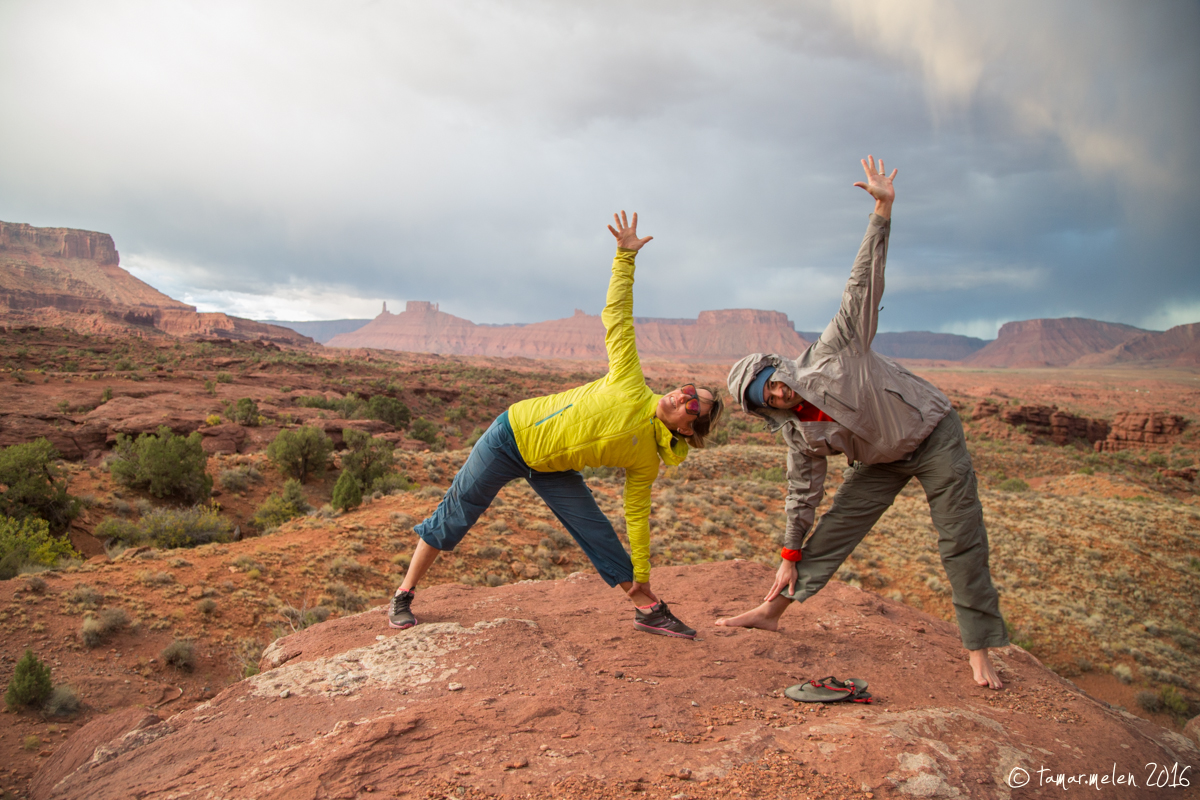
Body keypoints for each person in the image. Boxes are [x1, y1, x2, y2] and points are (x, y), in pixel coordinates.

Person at [718, 156, 1008, 689]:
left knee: (959, 538)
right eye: (768, 398)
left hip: (933, 434)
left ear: (778, 368)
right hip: (881, 460)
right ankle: (771, 612)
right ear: (766, 410)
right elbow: (802, 494)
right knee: (830, 532)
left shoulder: (834, 353)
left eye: (773, 381)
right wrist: (788, 554)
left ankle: (979, 648)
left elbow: (861, 285)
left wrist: (882, 212)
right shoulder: (798, 435)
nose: (779, 393)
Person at [389, 211, 723, 639]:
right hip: (511, 436)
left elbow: (636, 516)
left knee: (596, 530)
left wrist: (642, 572)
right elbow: (617, 317)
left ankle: (647, 608)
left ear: (688, 429)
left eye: (692, 403)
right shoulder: (630, 380)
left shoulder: (646, 460)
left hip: (552, 468)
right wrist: (625, 258)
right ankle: (403, 594)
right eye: (688, 388)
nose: (681, 395)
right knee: (458, 510)